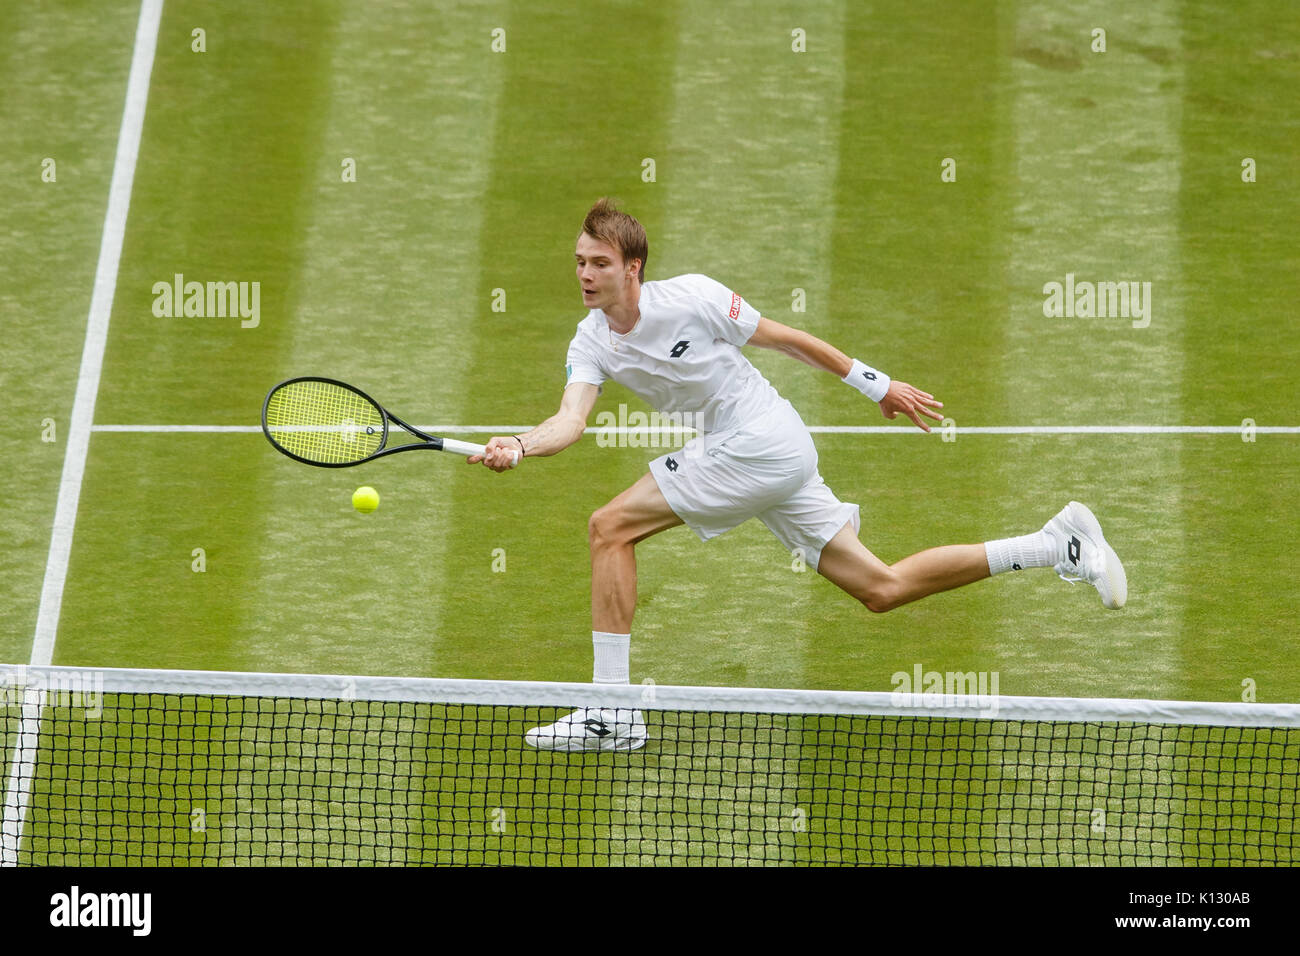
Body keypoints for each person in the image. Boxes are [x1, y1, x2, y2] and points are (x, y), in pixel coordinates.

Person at [470, 198, 1126, 752]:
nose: (585, 274)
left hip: (759, 439)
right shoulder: (589, 342)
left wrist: (878, 386)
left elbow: (786, 339)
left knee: (608, 528)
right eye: (580, 261)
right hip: (763, 452)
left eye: (599, 263)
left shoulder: (694, 297)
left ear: (632, 269)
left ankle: (611, 711)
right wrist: (523, 446)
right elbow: (569, 420)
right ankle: (1056, 544)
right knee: (881, 587)